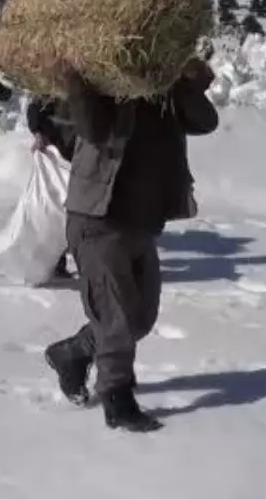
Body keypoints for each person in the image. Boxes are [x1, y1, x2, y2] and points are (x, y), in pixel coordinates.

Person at [44, 55, 218, 432]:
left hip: (143, 220)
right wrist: (75, 82)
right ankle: (117, 399)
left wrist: (183, 82)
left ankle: (71, 353)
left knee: (139, 317)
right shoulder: (104, 86)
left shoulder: (165, 95)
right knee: (118, 318)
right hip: (98, 218)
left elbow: (206, 121)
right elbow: (92, 130)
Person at [25, 93, 77, 279]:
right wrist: (38, 131)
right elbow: (34, 103)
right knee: (55, 202)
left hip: (83, 141)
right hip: (56, 145)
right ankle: (55, 260)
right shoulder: (51, 73)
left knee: (81, 205)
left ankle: (86, 259)